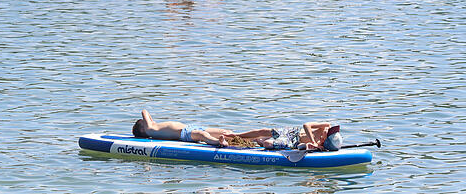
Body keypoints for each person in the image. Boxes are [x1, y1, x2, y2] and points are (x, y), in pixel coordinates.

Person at [132, 110, 343, 151]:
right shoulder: (151, 129)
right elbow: (145, 110)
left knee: (227, 130)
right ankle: (223, 143)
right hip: (186, 134)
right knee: (204, 137)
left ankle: (232, 140)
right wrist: (142, 127)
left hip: (191, 127)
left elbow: (146, 113)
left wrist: (315, 144)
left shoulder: (154, 127)